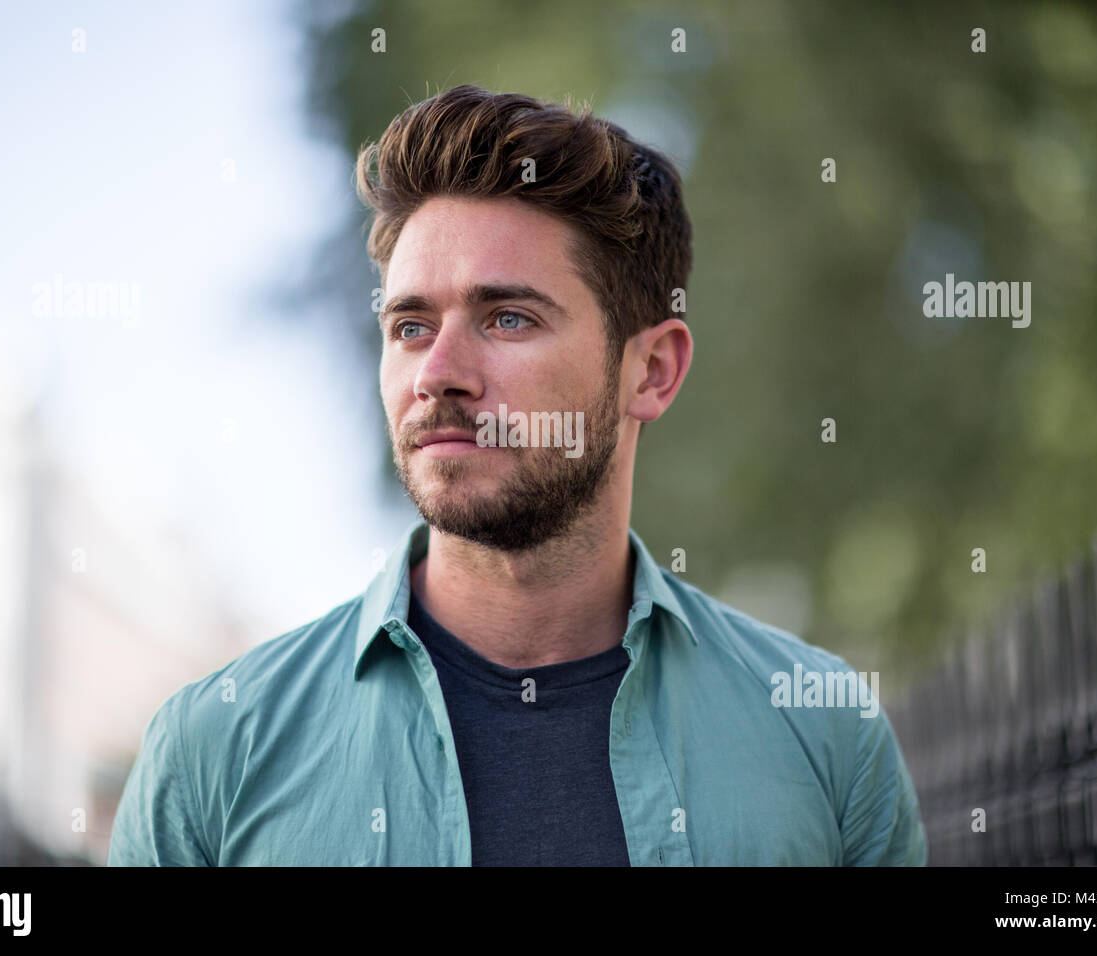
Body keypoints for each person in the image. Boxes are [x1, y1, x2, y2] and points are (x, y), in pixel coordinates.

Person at [108, 84, 927, 866]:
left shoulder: (822, 735)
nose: (440, 372)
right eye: (411, 325)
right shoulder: (214, 751)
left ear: (651, 372)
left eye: (508, 318)